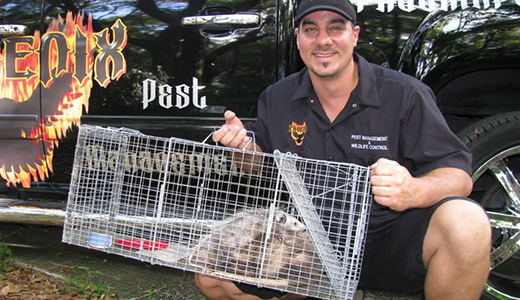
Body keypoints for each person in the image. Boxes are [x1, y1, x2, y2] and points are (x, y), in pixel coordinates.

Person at [194, 0, 492, 298]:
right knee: (211, 276)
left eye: (336, 28)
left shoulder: (405, 94)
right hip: (311, 243)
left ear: (355, 35)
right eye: (311, 29)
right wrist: (242, 148)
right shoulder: (277, 98)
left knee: (466, 221)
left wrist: (414, 190)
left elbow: (458, 176)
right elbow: (257, 163)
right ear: (298, 38)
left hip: (389, 238)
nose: (323, 40)